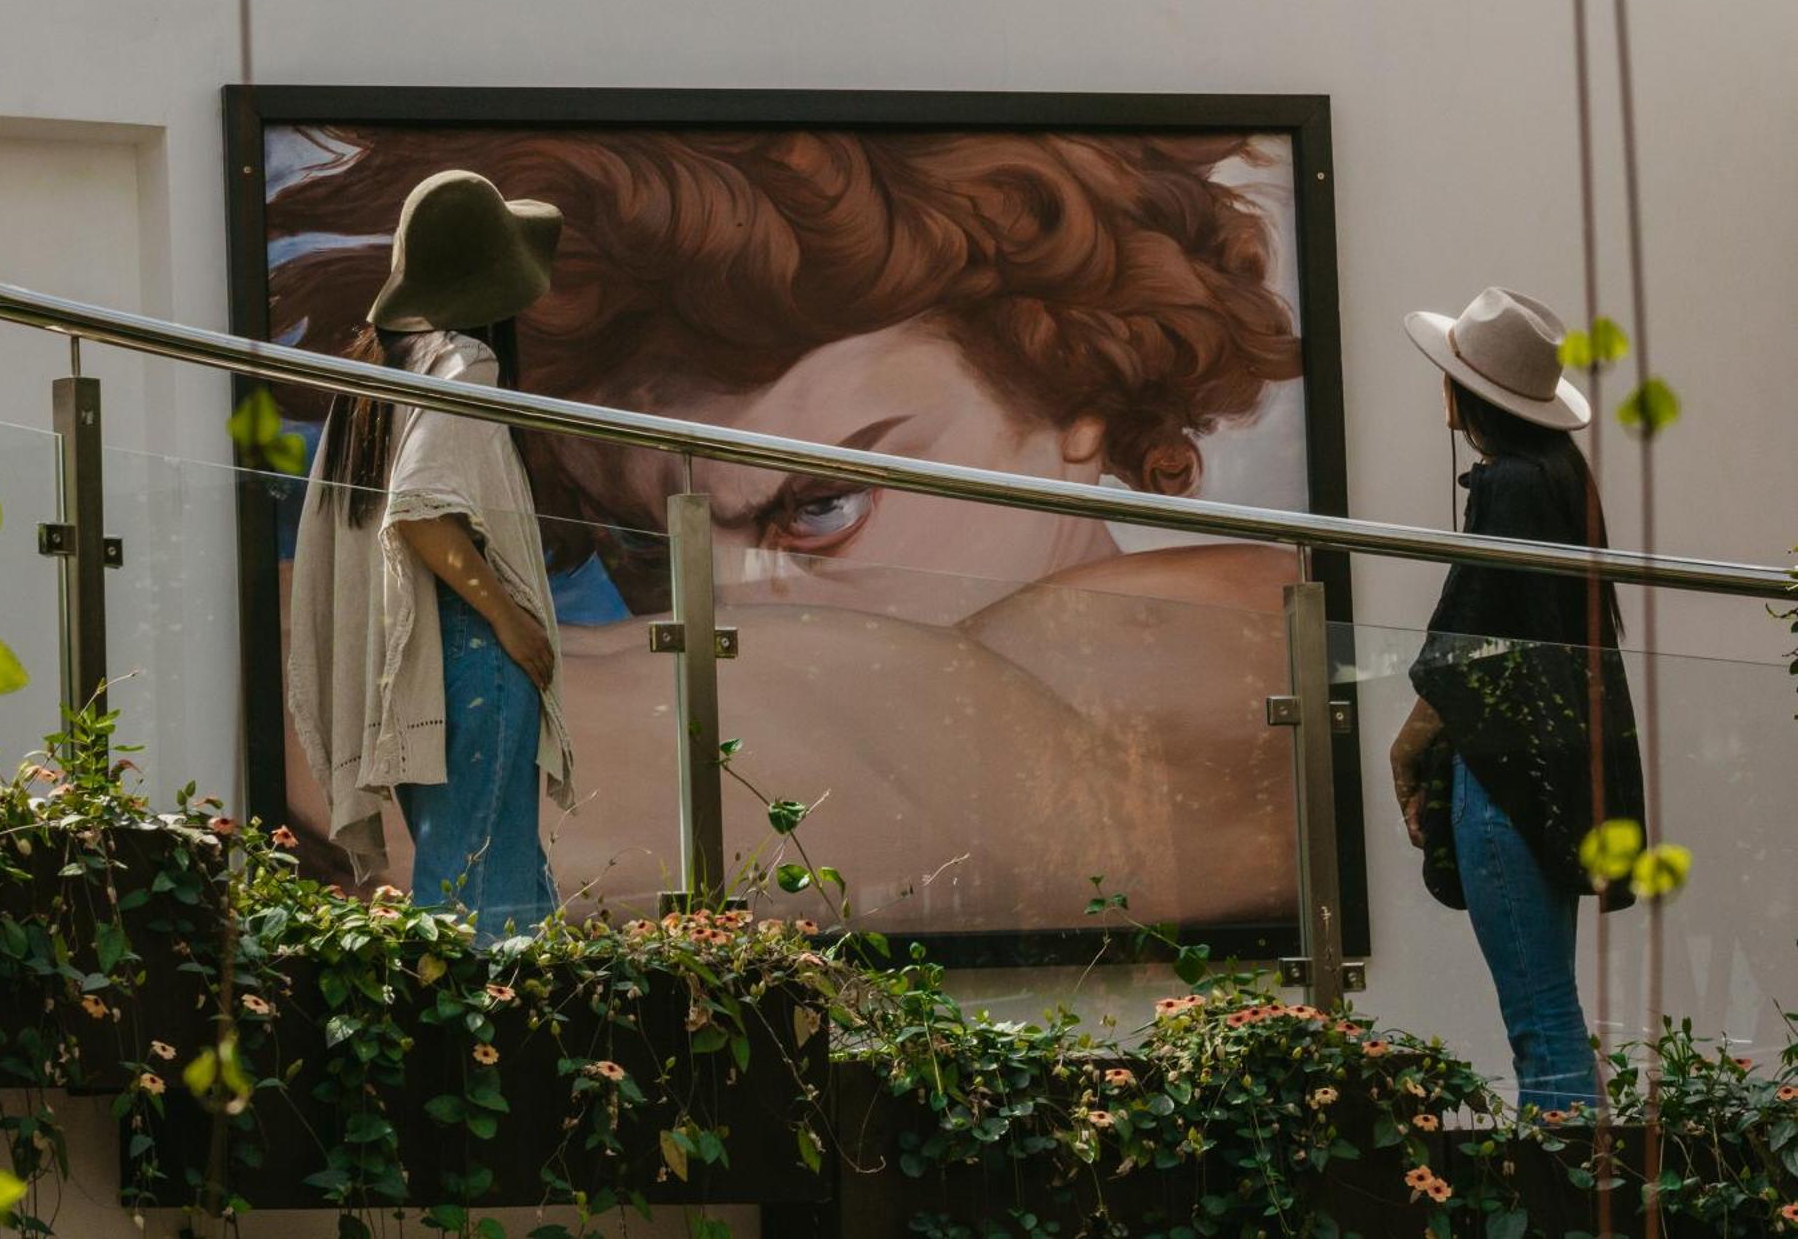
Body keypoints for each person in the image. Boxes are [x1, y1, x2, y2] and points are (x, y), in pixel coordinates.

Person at [269, 126, 1313, 930]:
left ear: (1075, 389)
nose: (721, 603)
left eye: (820, 506)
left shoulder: (1234, 642)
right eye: (648, 549)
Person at [286, 170, 575, 934]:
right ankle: (476, 1053)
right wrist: (509, 619)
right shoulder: (463, 364)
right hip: (468, 655)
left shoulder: (380, 369)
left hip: (411, 667)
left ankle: (501, 1047)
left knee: (482, 884)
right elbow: (421, 510)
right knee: (485, 910)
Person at [1389, 286, 1644, 1110]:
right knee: (1548, 1008)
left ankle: (1568, 1200)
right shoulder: (1562, 478)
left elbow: (1472, 640)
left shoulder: (1509, 487)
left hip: (1505, 783)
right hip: (1552, 781)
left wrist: (1407, 744)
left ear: (1465, 392)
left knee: (1540, 1020)